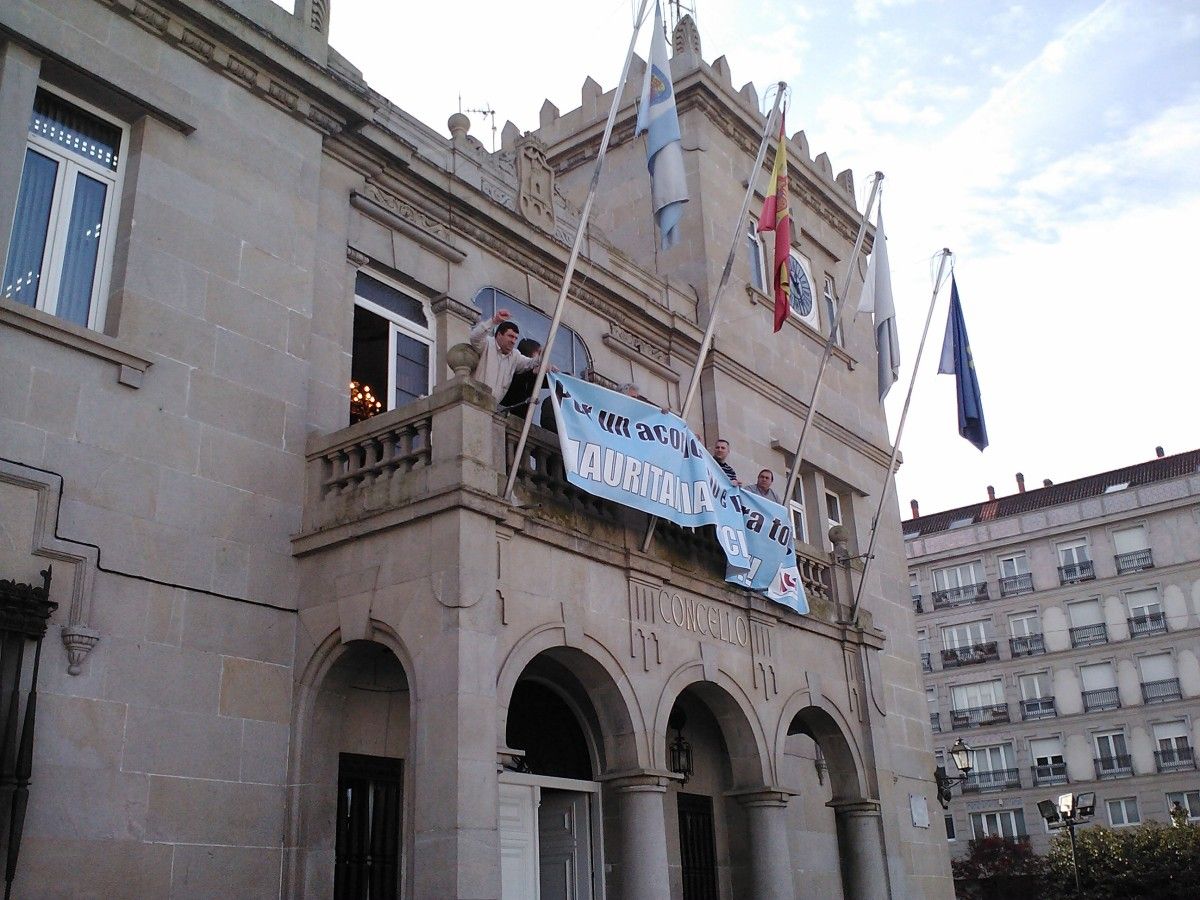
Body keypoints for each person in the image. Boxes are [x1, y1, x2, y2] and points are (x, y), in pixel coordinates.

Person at [469, 310, 538, 401]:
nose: (513, 341)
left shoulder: (515, 355)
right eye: (510, 336)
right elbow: (474, 337)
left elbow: (530, 363)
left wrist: (542, 356)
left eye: (515, 338)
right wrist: (494, 321)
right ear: (499, 335)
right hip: (473, 400)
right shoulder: (487, 344)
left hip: (493, 407)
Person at [499, 338, 543, 416]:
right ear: (530, 352)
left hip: (522, 420)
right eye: (538, 353)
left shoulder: (533, 376)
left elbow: (547, 381)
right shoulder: (513, 368)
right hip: (505, 415)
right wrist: (533, 371)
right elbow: (519, 380)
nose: (541, 358)